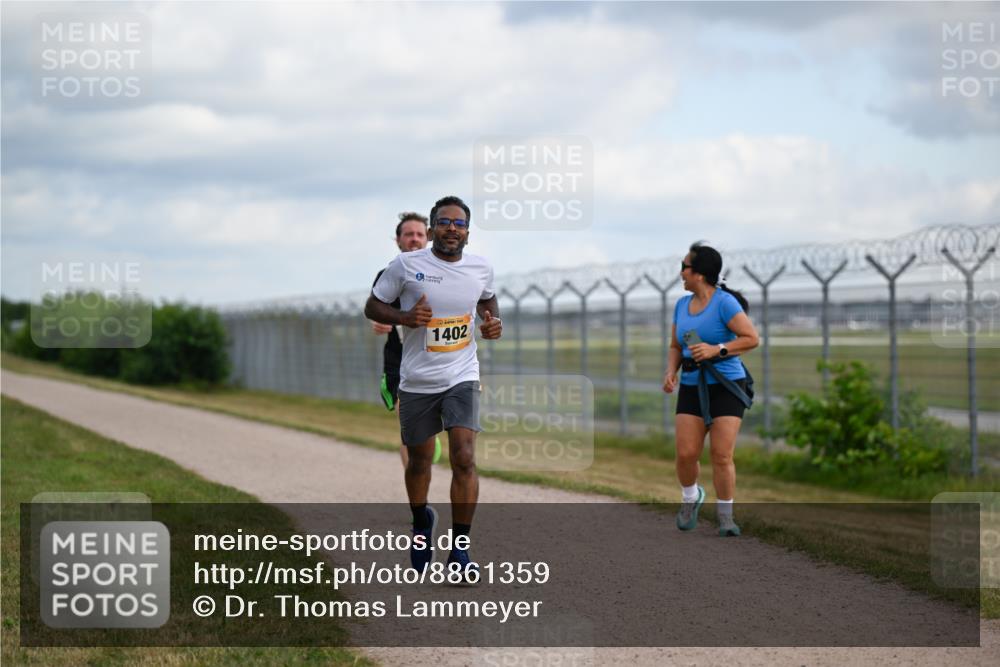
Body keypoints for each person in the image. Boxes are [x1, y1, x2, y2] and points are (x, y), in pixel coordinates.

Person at [365, 195, 502, 577]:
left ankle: (461, 551)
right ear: (432, 228)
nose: (452, 229)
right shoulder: (406, 265)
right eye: (444, 222)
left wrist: (493, 324)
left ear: (468, 233)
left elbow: (488, 302)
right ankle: (421, 521)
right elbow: (373, 306)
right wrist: (406, 317)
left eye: (459, 224)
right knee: (420, 460)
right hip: (417, 379)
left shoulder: (481, 268)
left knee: (464, 455)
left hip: (462, 374)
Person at [662, 243, 759, 536]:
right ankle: (691, 498)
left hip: (726, 385)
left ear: (700, 274)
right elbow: (676, 345)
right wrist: (671, 372)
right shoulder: (682, 305)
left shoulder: (725, 303)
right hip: (691, 385)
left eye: (684, 267)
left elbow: (751, 338)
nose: (680, 272)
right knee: (686, 454)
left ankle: (726, 517)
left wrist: (718, 349)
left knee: (721, 455)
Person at [371, 212, 441, 468]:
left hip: (440, 360)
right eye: (408, 234)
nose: (414, 239)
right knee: (409, 425)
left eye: (420, 234)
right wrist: (377, 322)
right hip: (401, 363)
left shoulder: (443, 273)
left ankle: (431, 430)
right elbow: (376, 309)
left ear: (428, 238)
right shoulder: (387, 275)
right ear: (398, 241)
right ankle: (419, 501)